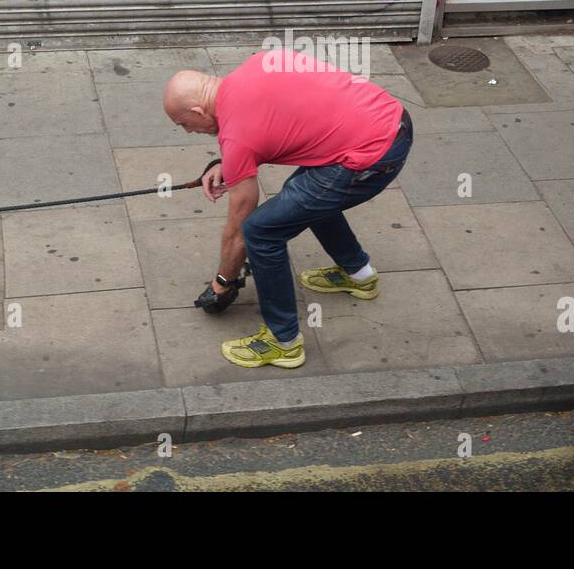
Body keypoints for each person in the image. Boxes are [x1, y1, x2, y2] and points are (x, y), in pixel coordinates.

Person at [162, 50, 413, 368]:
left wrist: (223, 282)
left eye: (185, 124)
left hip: (374, 155)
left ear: (197, 109)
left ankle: (283, 342)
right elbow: (284, 108)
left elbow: (240, 226)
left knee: (262, 230)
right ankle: (359, 275)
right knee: (303, 199)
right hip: (391, 117)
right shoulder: (259, 62)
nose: (188, 132)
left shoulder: (238, 137)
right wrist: (230, 160)